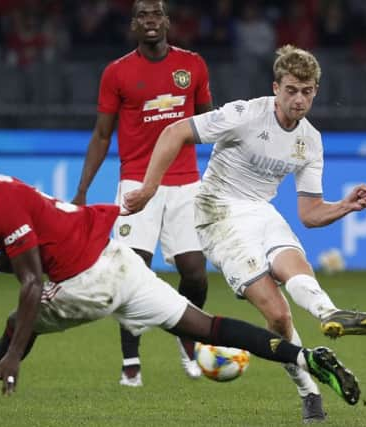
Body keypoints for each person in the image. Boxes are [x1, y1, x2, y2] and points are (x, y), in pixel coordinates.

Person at [0, 137, 360, 407]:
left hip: (90, 279)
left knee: (19, 320)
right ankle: (306, 357)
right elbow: (28, 261)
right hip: (117, 260)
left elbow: (32, 281)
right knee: (205, 326)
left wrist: (15, 352)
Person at [122, 45, 366, 423]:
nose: (299, 99)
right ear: (276, 87)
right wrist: (150, 188)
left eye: (307, 91)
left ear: (316, 91)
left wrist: (344, 206)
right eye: (292, 90)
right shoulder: (245, 114)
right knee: (278, 315)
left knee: (294, 268)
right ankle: (310, 391)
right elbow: (173, 132)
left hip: (261, 212)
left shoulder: (310, 140)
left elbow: (310, 215)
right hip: (217, 213)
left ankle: (330, 314)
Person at [71, 0, 211, 387]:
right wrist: (82, 191)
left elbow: (208, 121)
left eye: (157, 15)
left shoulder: (193, 66)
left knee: (195, 273)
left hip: (184, 181)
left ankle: (189, 338)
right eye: (143, 16)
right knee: (131, 271)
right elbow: (102, 135)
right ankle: (130, 361)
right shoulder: (116, 72)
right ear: (133, 25)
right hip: (135, 181)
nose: (150, 21)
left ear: (167, 21)